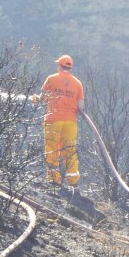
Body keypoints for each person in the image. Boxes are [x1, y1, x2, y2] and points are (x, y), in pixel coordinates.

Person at [34, 55, 85, 192]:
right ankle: (73, 181)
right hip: (70, 122)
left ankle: (54, 180)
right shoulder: (77, 83)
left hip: (53, 120)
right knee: (70, 150)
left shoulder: (51, 79)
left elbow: (43, 99)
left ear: (59, 66)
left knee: (52, 149)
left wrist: (36, 99)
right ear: (70, 68)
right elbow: (81, 107)